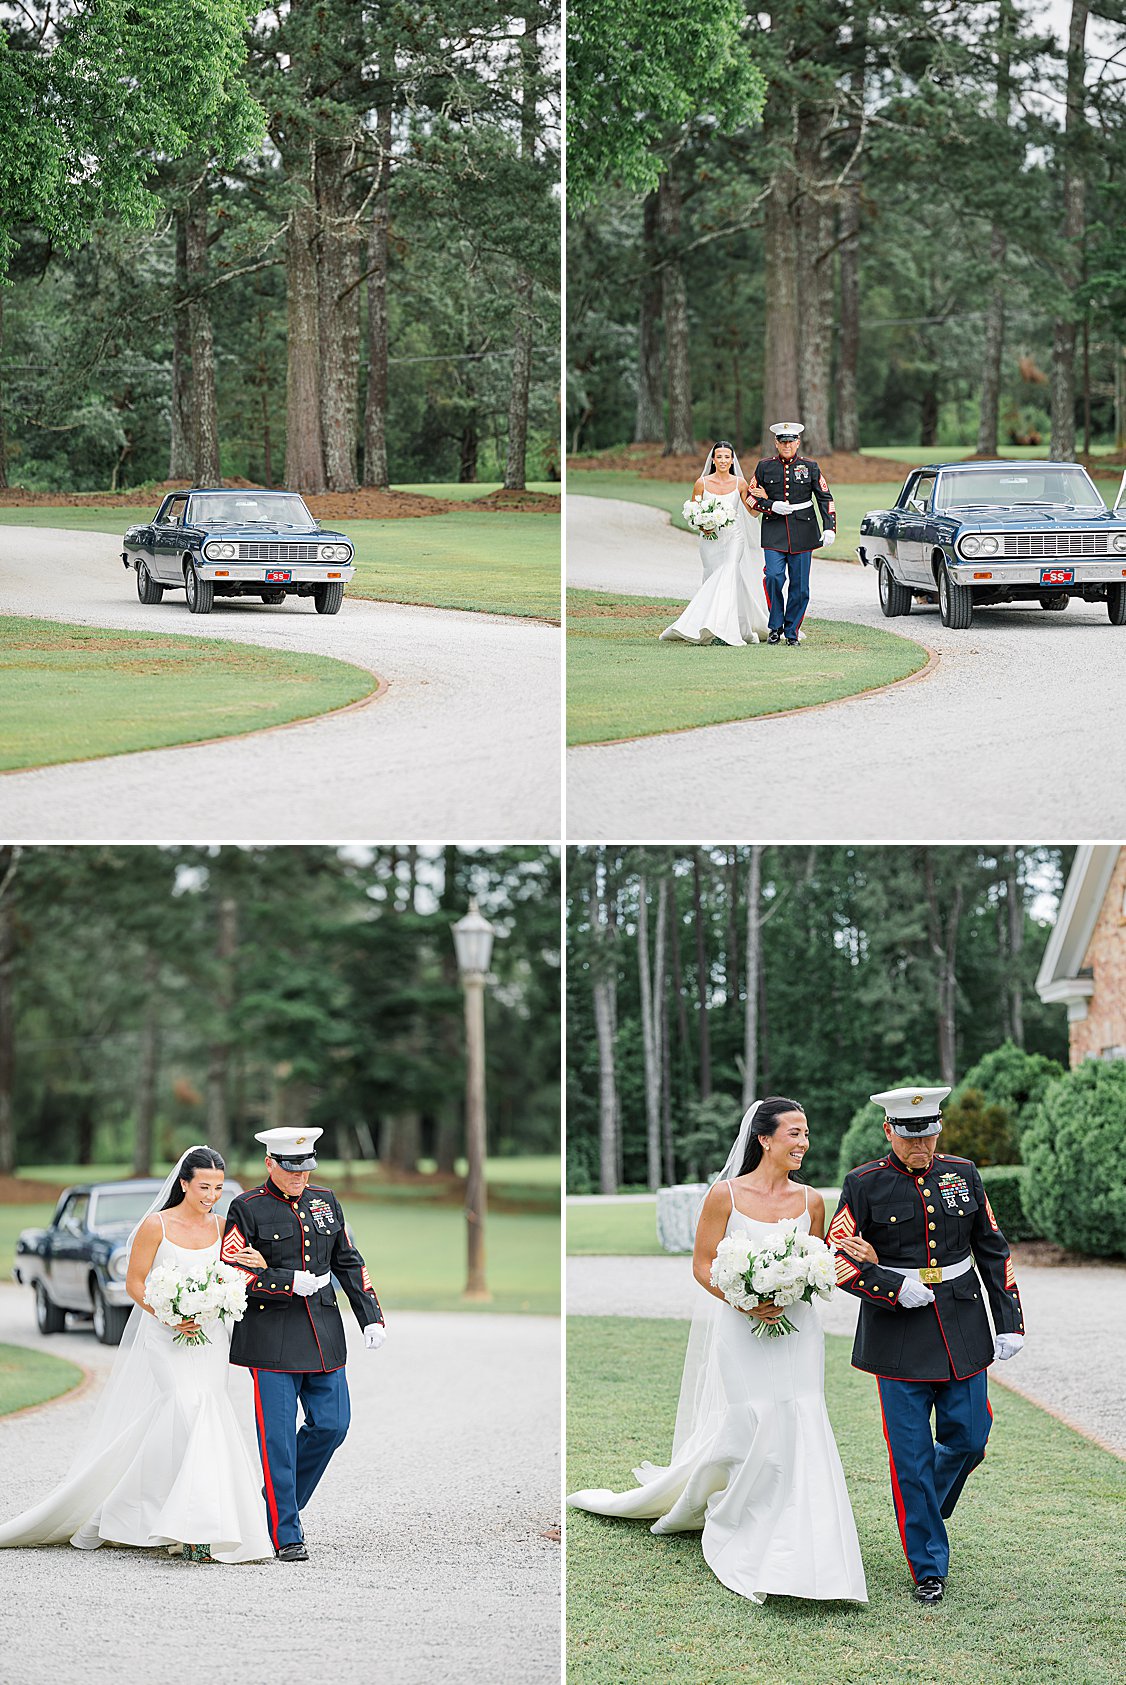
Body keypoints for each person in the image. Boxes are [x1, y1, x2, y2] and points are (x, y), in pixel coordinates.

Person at [567, 1097, 868, 1606]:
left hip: (798, 1328)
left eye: (806, 1133)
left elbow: (816, 1261)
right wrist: (746, 1299)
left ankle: (804, 1525)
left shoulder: (812, 1200)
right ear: (764, 1139)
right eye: (794, 1133)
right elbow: (703, 1264)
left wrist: (803, 1283)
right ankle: (740, 1511)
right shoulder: (724, 1195)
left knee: (801, 1413)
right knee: (753, 1416)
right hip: (741, 1326)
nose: (804, 1143)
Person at [0, 1145, 274, 1563]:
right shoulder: (155, 1225)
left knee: (206, 1411)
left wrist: (256, 1265)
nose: (212, 1196)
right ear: (184, 1183)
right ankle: (184, 1523)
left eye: (218, 1188)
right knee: (184, 1406)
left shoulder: (223, 1227)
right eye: (204, 1187)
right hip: (166, 1335)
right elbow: (135, 1282)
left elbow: (235, 1276)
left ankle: (194, 1525)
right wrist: (169, 1314)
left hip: (211, 1337)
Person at [829, 1086, 1026, 1606]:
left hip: (962, 1326)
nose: (922, 1146)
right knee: (911, 1459)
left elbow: (992, 1247)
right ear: (889, 1131)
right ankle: (928, 1567)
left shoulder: (963, 1173)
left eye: (930, 1135)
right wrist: (891, 1286)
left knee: (971, 1438)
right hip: (897, 1336)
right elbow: (837, 1257)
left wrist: (1009, 1319)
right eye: (911, 1137)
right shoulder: (863, 1183)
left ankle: (918, 1509)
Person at [222, 1126, 386, 1563]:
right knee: (277, 1441)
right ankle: (285, 1534)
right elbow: (232, 1270)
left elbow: (348, 1260)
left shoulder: (326, 1201)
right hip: (270, 1340)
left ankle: (270, 1505)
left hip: (323, 1334)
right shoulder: (246, 1208)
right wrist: (285, 1281)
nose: (300, 1176)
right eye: (291, 1168)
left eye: (306, 1168)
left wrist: (370, 1315)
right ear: (270, 1163)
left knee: (333, 1425)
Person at [659, 441, 770, 645]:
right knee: (714, 578)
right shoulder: (701, 483)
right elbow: (693, 512)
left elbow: (752, 513)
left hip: (734, 538)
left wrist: (764, 498)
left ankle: (725, 629)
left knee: (729, 572)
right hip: (710, 540)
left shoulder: (740, 484)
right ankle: (716, 624)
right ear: (713, 459)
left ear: (732, 460)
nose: (723, 461)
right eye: (719, 457)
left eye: (727, 457)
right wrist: (703, 526)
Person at [746, 421, 836, 645]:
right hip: (774, 529)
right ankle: (775, 625)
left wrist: (829, 527)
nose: (787, 445)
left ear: (798, 443)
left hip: (804, 531)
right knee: (773, 577)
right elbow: (750, 497)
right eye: (783, 441)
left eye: (791, 441)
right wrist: (771, 506)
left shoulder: (811, 466)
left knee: (800, 586)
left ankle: (792, 631)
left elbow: (825, 498)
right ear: (776, 443)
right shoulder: (764, 466)